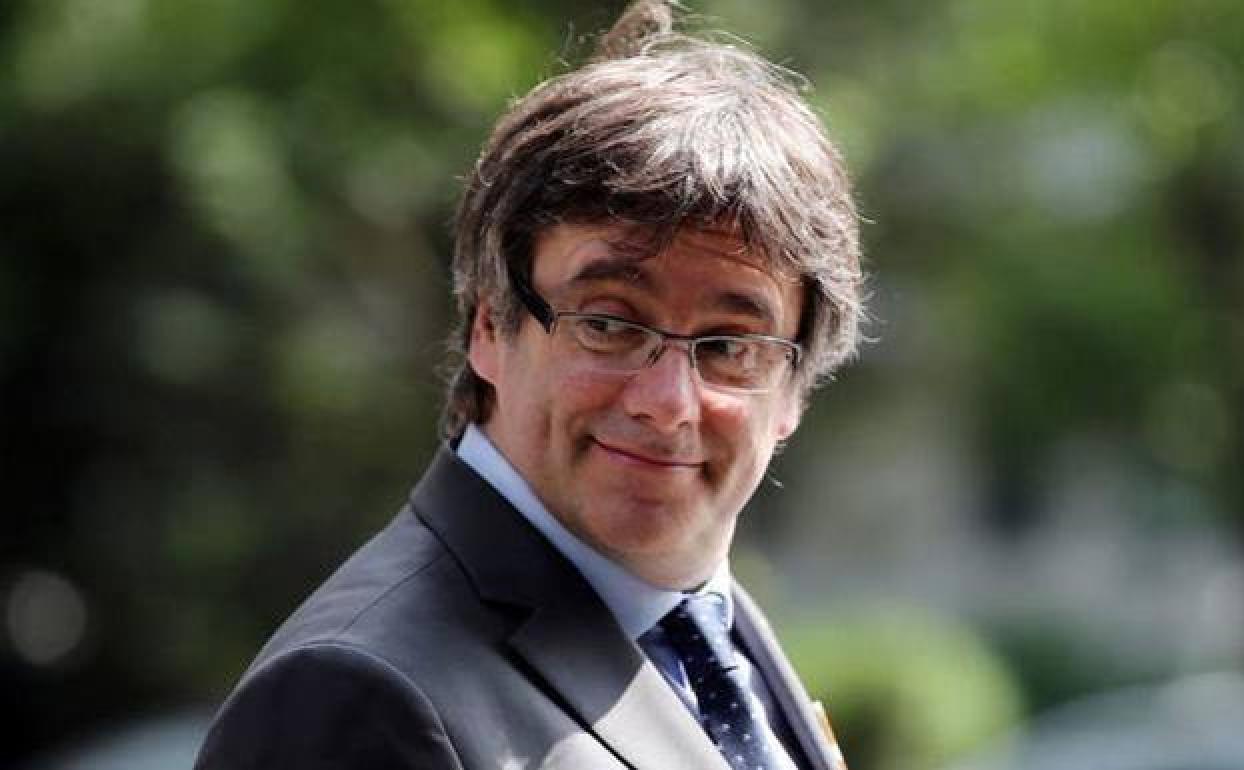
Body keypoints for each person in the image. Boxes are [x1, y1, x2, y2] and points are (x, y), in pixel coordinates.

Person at [194, 1, 863, 768]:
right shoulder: (354, 695)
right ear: (489, 325)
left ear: (795, 389)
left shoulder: (712, 635)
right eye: (608, 324)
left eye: (729, 346)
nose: (668, 403)